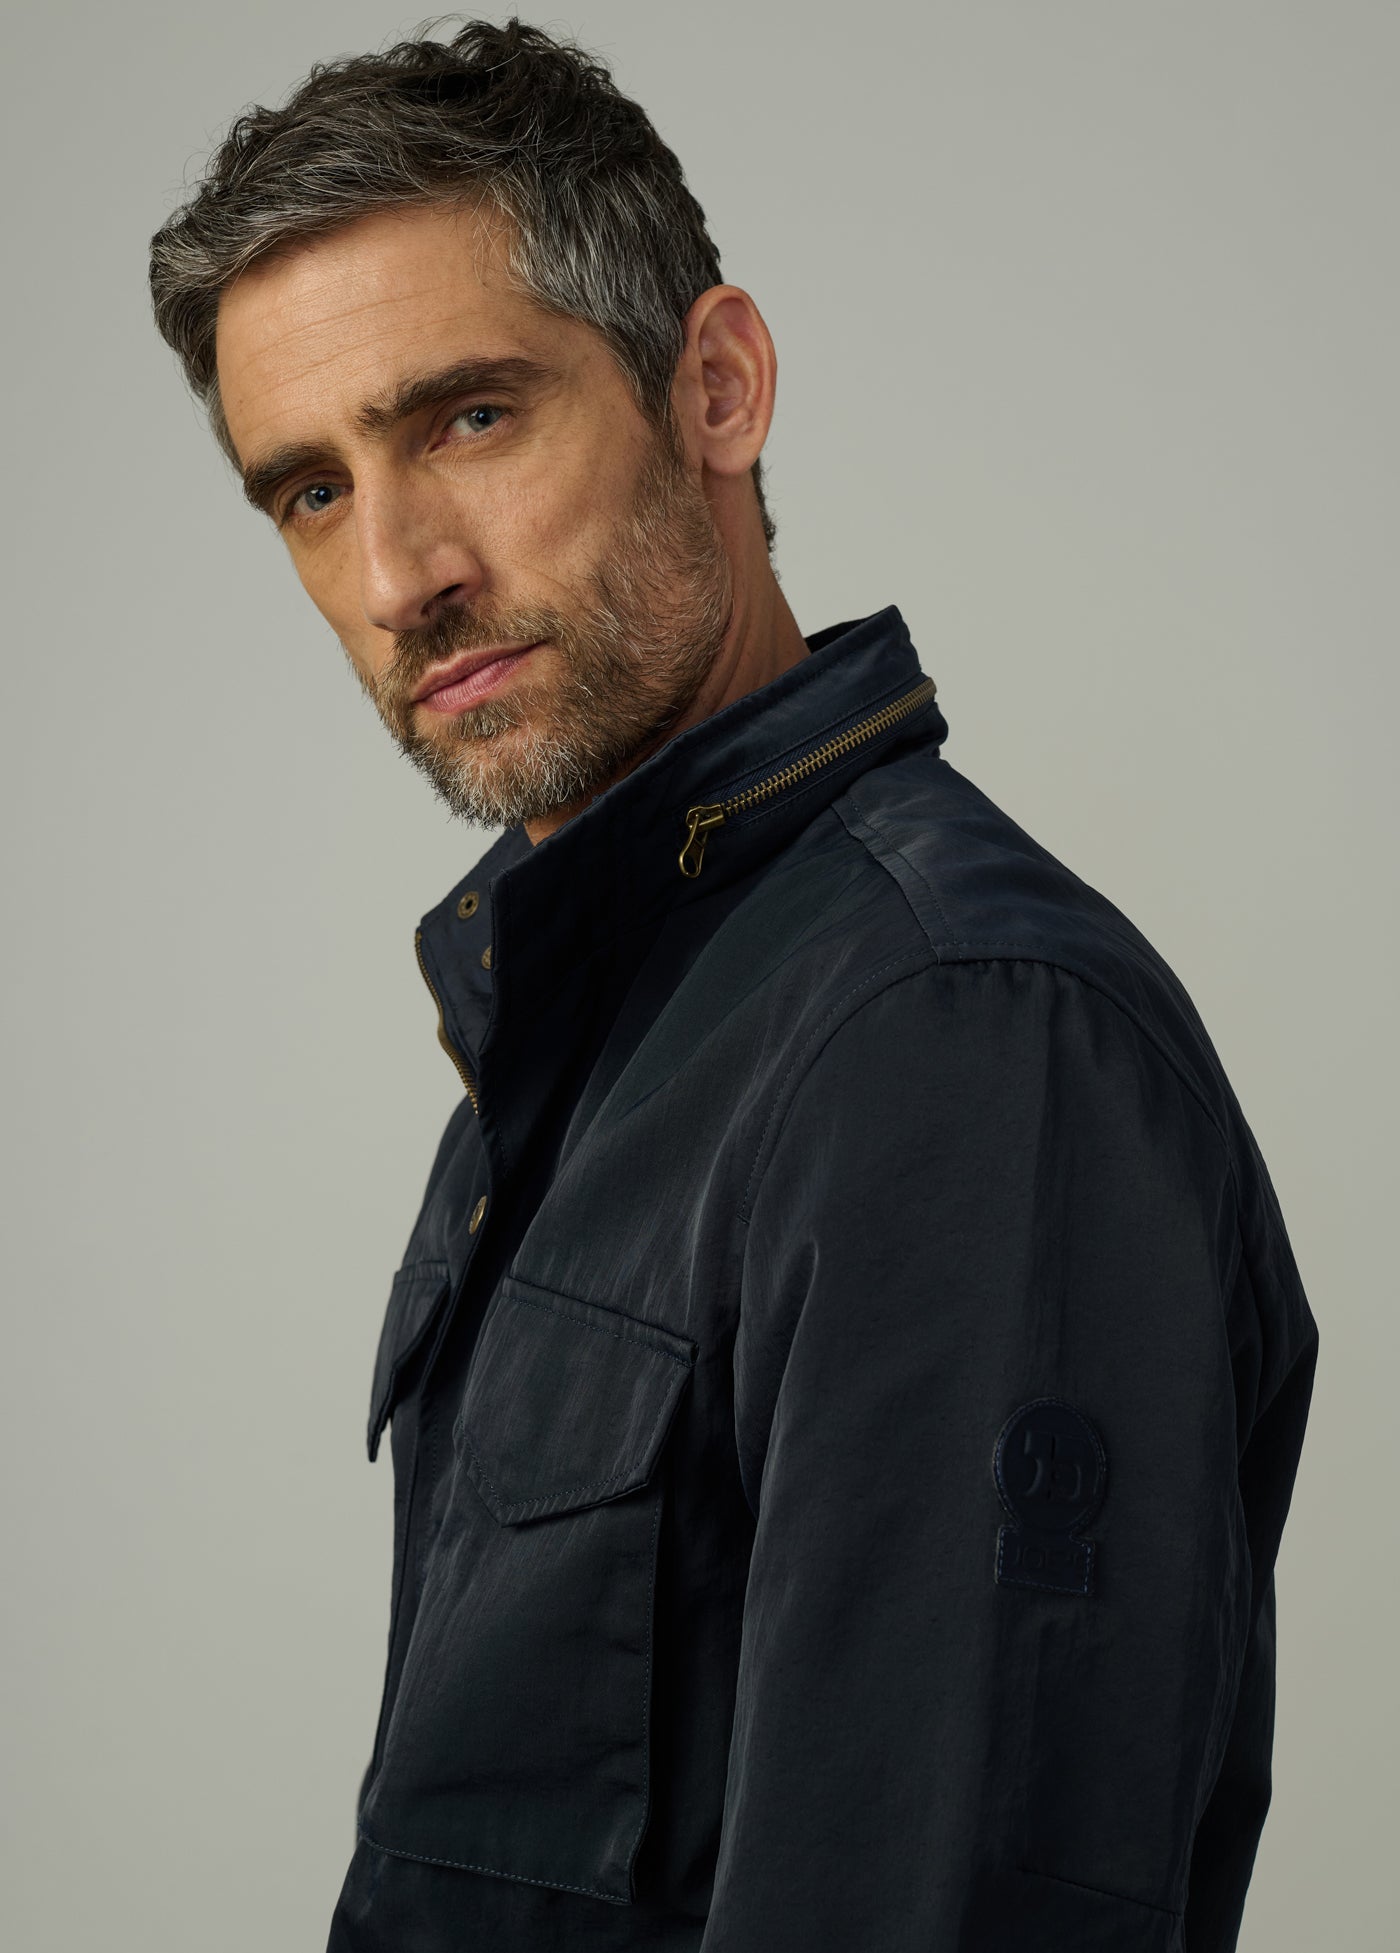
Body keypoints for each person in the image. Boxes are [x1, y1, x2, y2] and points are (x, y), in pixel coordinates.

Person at [148, 19, 1318, 1951]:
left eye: (469, 418)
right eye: (312, 491)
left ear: (716, 385)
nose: (399, 574)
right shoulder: (596, 1026)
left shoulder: (955, 1036)